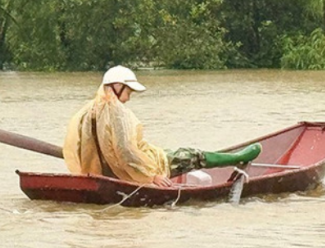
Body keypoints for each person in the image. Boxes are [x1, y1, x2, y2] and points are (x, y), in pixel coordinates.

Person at [63, 66, 260, 188]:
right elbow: (125, 151)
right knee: (190, 155)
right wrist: (151, 176)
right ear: (117, 86)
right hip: (127, 171)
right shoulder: (116, 112)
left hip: (105, 171)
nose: (130, 95)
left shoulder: (89, 111)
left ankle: (231, 156)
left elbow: (78, 146)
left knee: (163, 152)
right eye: (128, 90)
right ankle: (238, 157)